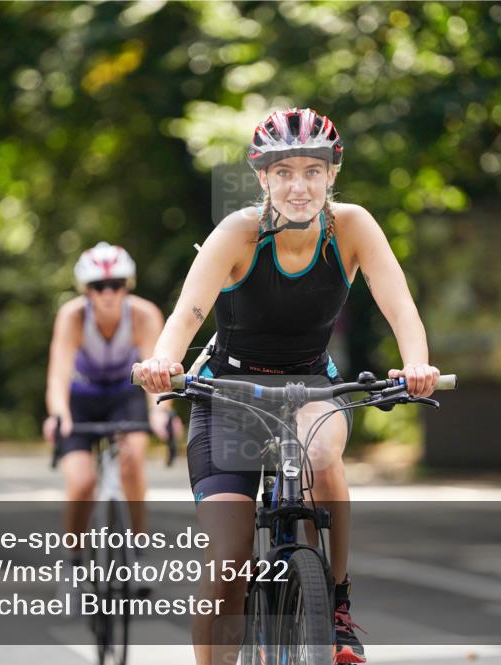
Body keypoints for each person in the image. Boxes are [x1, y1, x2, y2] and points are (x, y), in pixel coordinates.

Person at [133, 108, 441, 665]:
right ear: (262, 179)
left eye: (312, 171)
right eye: (283, 173)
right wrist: (162, 362)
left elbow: (401, 307)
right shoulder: (237, 233)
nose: (299, 186)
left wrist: (416, 364)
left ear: (331, 175)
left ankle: (337, 604)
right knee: (228, 560)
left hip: (309, 385)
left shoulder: (352, 227)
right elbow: (186, 316)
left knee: (323, 453)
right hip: (226, 391)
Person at [43, 242, 179, 576]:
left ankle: (138, 552)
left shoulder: (144, 315)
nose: (108, 293)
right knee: (81, 482)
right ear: (86, 291)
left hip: (125, 393)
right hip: (82, 397)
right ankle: (73, 564)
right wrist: (59, 417)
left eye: (116, 285)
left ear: (127, 287)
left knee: (133, 461)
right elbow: (58, 376)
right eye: (98, 286)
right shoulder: (72, 316)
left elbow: (156, 375)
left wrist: (161, 414)